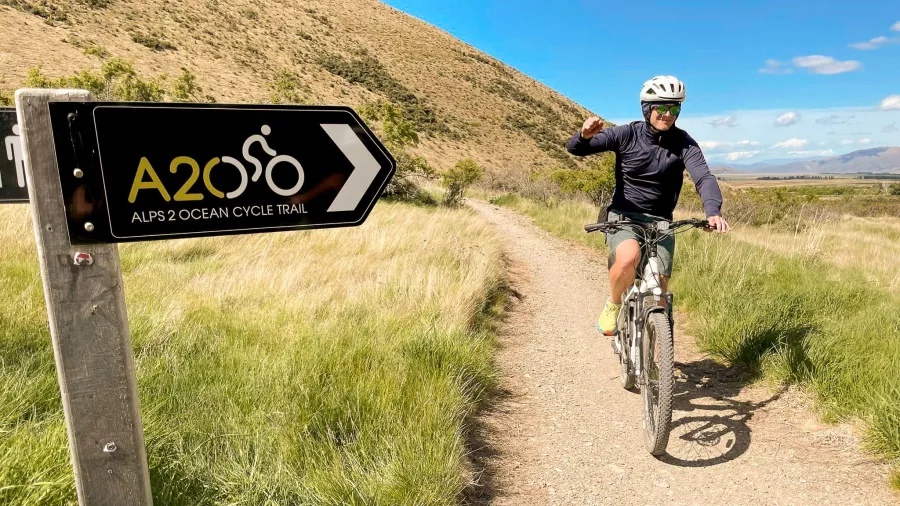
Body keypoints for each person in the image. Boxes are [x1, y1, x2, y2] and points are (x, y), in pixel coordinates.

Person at [565, 75, 730, 338]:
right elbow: (577, 149)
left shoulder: (684, 142)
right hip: (625, 216)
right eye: (661, 108)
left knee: (660, 292)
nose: (667, 114)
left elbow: (704, 177)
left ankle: (656, 364)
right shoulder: (627, 134)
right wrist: (584, 136)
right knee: (629, 257)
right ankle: (614, 303)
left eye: (674, 109)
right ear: (647, 109)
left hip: (661, 221)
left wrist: (713, 211)